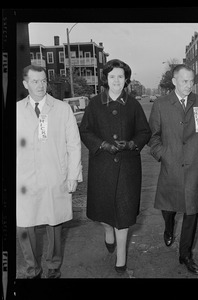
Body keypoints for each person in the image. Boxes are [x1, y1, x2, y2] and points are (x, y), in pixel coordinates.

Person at [79, 59, 151, 273]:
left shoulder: (134, 104)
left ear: (126, 79)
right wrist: (102, 145)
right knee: (104, 213)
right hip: (102, 166)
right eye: (112, 76)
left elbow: (144, 132)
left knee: (124, 214)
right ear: (106, 79)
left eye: (120, 76)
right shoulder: (94, 103)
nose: (117, 80)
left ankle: (121, 258)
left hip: (128, 168)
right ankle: (107, 231)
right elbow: (85, 131)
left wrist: (131, 143)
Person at [16, 64, 82, 279]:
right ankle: (32, 268)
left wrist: (73, 175)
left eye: (43, 80)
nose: (40, 85)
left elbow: (74, 144)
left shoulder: (62, 109)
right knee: (25, 225)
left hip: (55, 176)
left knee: (54, 223)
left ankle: (53, 266)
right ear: (26, 84)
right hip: (24, 180)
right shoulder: (16, 111)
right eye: (35, 81)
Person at [148, 64, 198, 275]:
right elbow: (153, 137)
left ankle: (185, 254)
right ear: (174, 81)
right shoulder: (161, 104)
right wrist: (164, 155)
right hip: (171, 166)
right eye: (184, 81)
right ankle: (168, 226)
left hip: (195, 166)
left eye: (191, 81)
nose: (189, 85)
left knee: (191, 211)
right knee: (169, 208)